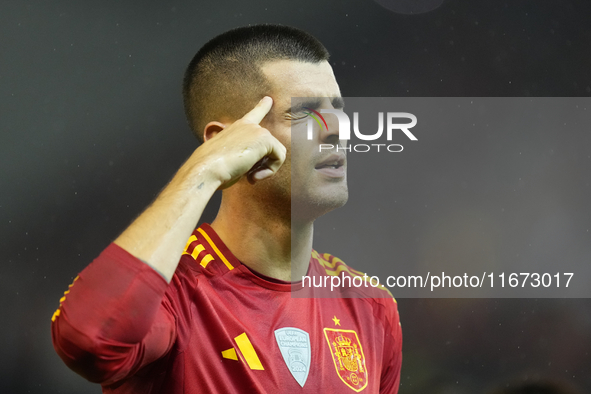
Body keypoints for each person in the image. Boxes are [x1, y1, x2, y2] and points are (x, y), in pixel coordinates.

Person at [51, 24, 402, 393]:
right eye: (303, 112)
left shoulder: (368, 305)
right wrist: (204, 170)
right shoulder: (174, 291)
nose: (337, 129)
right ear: (224, 141)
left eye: (338, 108)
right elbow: (89, 343)